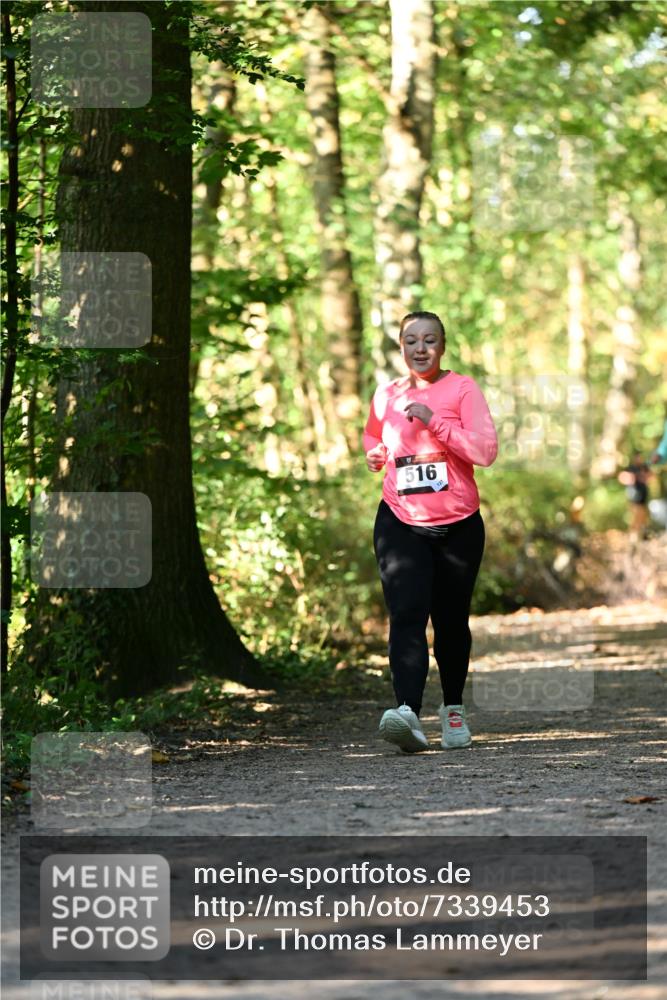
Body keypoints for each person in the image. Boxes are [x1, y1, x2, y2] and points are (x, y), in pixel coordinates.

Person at [363, 311, 499, 753]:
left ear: (443, 345)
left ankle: (453, 709)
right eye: (411, 341)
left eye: (429, 340)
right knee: (406, 615)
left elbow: (485, 450)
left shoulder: (462, 388)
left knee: (451, 620)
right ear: (400, 347)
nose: (420, 349)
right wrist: (376, 452)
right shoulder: (387, 393)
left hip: (458, 525)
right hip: (400, 520)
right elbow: (371, 435)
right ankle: (408, 713)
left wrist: (434, 421)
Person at [617, 451, 653, 543]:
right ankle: (633, 537)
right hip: (634, 496)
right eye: (638, 457)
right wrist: (631, 478)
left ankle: (641, 536)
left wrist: (645, 477)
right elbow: (622, 477)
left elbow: (651, 476)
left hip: (643, 496)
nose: (639, 459)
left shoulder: (644, 467)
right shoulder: (631, 468)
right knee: (636, 516)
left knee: (643, 517)